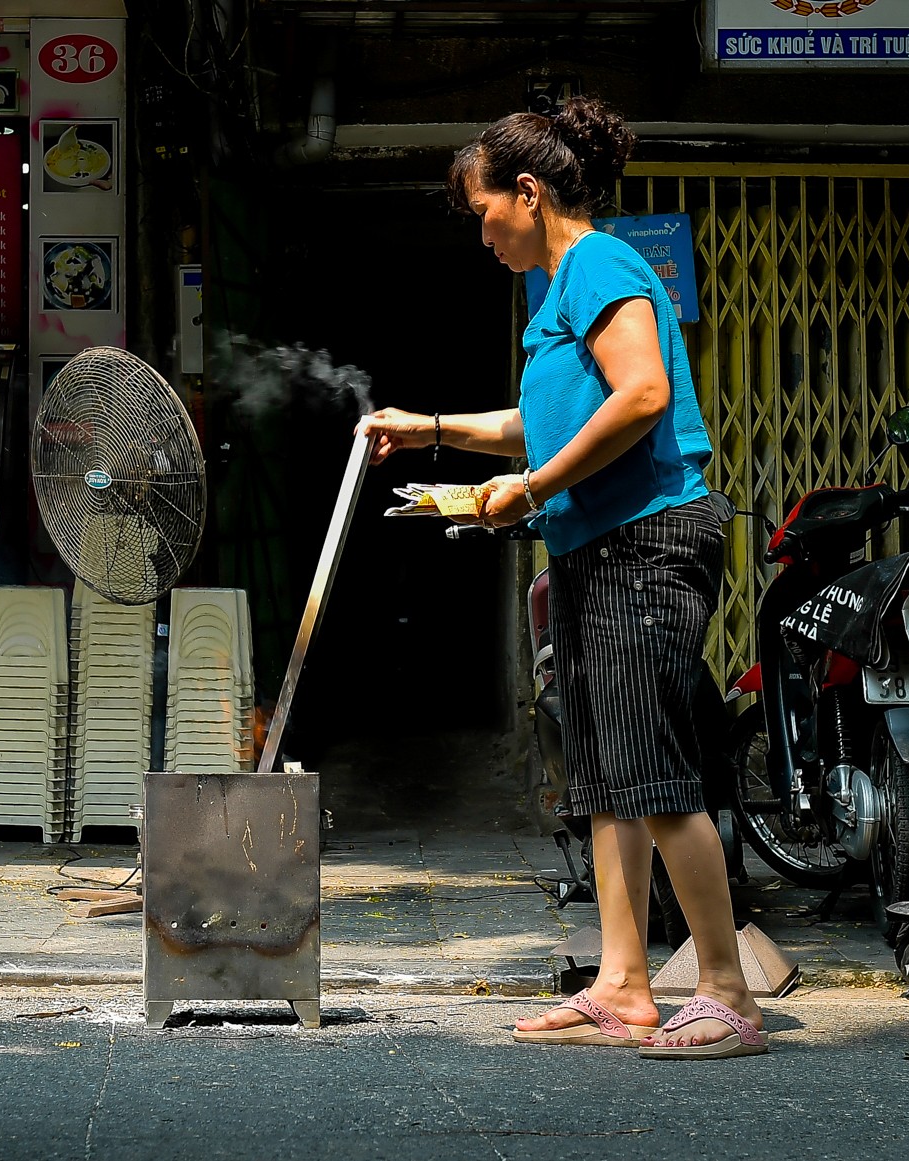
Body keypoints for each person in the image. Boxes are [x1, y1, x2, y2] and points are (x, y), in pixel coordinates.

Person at [357, 96, 766, 1059]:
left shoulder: (602, 263)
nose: (481, 231)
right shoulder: (556, 290)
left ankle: (725, 991)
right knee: (607, 779)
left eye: (483, 210)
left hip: (647, 540)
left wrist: (533, 484)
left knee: (657, 773)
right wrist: (435, 427)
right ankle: (622, 983)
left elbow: (643, 395)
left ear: (529, 192)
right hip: (591, 547)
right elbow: (538, 420)